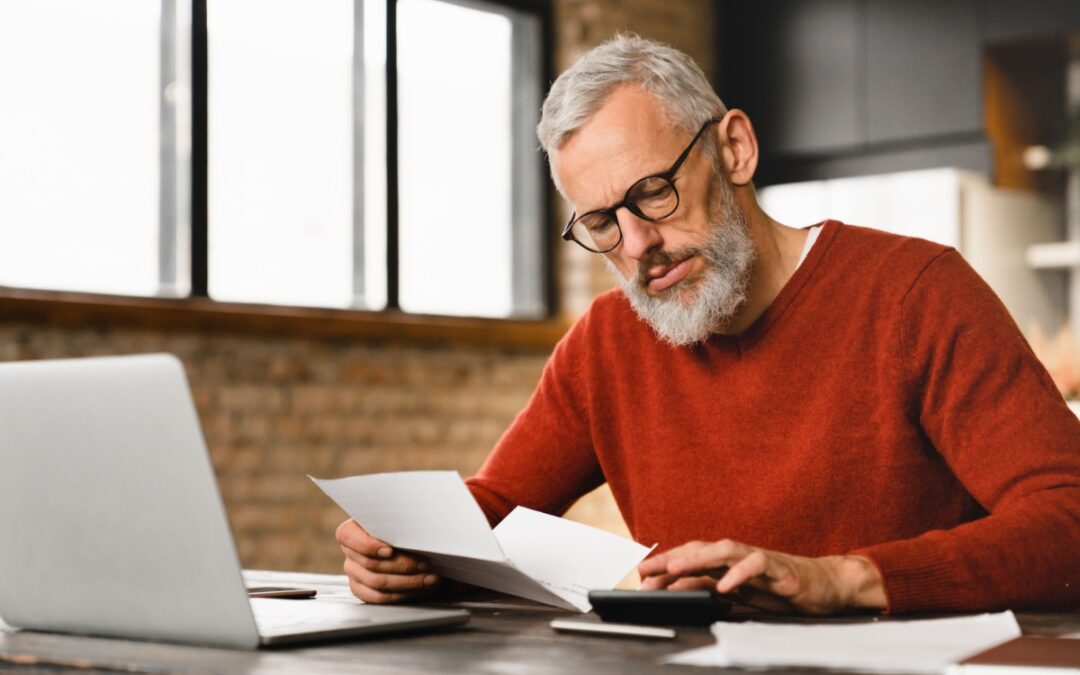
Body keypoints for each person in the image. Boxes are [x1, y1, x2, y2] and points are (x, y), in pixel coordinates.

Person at [336, 34, 1080, 615]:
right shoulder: (607, 342)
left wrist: (845, 578)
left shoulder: (916, 292)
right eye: (600, 221)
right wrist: (407, 548)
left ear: (734, 149)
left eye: (653, 193)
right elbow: (494, 507)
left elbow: (1068, 518)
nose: (635, 247)